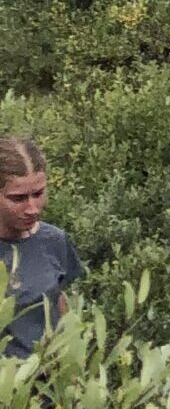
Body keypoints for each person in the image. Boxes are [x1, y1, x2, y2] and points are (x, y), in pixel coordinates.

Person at [1, 136, 83, 361]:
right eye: (18, 198)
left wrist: (73, 378)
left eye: (38, 194)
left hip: (50, 387)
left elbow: (59, 303)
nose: (32, 208)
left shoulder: (53, 240)